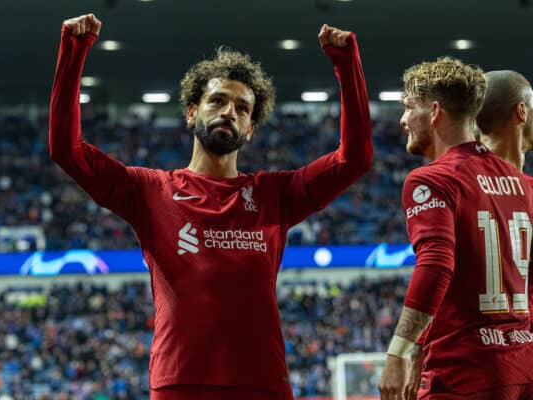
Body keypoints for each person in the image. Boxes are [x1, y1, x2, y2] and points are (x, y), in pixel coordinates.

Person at [49, 13, 372, 400]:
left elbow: (354, 159)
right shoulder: (150, 191)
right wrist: (74, 50)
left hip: (262, 383)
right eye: (217, 100)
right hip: (180, 383)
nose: (229, 111)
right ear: (191, 112)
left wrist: (346, 64)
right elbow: (66, 150)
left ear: (250, 128)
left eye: (242, 107)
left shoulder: (276, 195)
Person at [378, 57, 533, 400]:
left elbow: (435, 265)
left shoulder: (432, 179)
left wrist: (398, 352)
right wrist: (420, 345)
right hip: (523, 368)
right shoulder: (525, 185)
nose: (403, 120)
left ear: (434, 112)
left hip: (464, 375)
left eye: (407, 108)